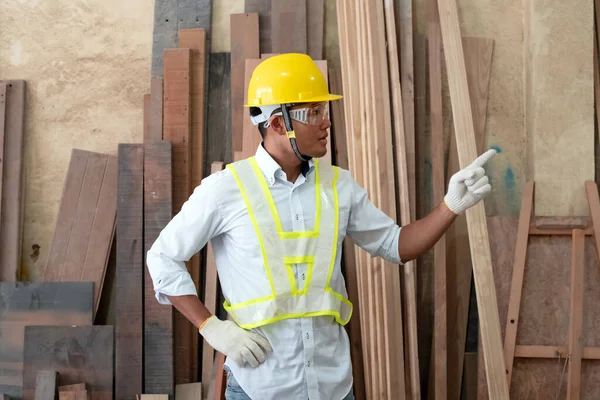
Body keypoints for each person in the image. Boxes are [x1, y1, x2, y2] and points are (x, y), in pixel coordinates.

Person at [146, 53, 496, 400]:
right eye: (314, 113)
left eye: (323, 111)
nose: (326, 123)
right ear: (279, 123)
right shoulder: (226, 189)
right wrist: (211, 327)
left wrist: (451, 206)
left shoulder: (339, 186)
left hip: (333, 386)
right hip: (261, 387)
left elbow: (395, 244)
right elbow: (162, 258)